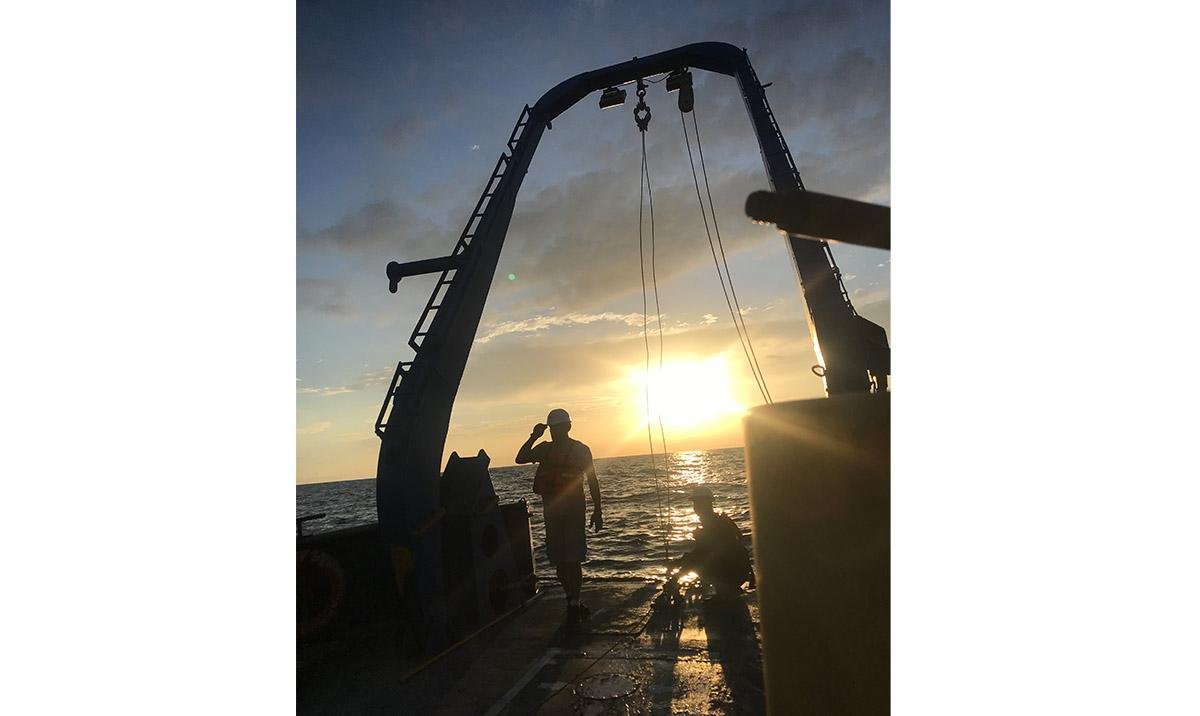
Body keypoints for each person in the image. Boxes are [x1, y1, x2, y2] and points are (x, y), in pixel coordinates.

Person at [515, 408, 603, 626]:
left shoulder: (546, 449)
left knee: (563, 560)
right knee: (571, 559)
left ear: (552, 428)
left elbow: (521, 457)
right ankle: (573, 601)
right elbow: (593, 481)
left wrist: (535, 435)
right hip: (571, 510)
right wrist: (597, 510)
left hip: (554, 511)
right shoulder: (580, 450)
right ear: (569, 426)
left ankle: (571, 600)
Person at [666, 486, 752, 597]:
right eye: (695, 503)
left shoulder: (713, 525)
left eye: (698, 503)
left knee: (697, 562)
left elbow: (700, 556)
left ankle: (725, 592)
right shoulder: (720, 521)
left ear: (708, 503)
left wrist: (676, 573)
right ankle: (725, 590)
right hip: (738, 571)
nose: (696, 507)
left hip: (731, 573)